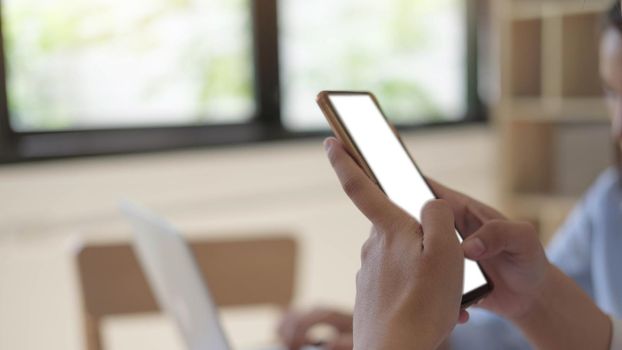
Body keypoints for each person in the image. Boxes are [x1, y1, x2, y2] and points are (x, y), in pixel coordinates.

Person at [277, 2, 622, 349]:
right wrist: (398, 326)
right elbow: (511, 336)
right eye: (611, 92)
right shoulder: (611, 201)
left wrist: (392, 339)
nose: (618, 127)